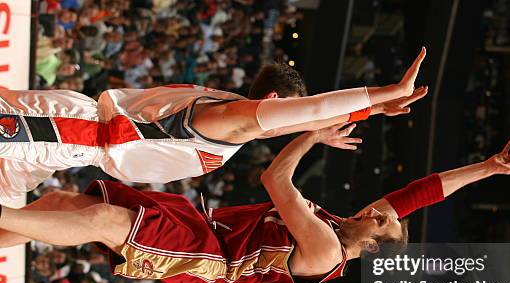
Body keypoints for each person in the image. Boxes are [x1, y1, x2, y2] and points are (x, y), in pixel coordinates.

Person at [0, 121, 510, 283]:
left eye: (380, 218)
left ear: (370, 242)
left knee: (101, 220)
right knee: (62, 201)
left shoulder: (325, 248)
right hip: (202, 228)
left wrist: (312, 135)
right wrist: (486, 169)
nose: (379, 208)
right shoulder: (347, 226)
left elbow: (274, 177)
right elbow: (419, 193)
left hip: (207, 257)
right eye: (381, 210)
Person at [0, 49, 428, 203]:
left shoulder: (231, 118)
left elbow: (295, 122)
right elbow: (310, 111)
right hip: (63, 132)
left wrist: (368, 114)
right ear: (274, 101)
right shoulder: (229, 120)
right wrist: (383, 92)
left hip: (67, 144)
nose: (294, 123)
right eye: (290, 113)